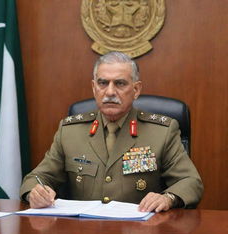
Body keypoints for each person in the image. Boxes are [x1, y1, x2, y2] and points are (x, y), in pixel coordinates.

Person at [20, 51, 203, 212]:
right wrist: (35, 192)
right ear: (94, 87)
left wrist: (167, 198)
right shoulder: (70, 131)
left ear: (136, 89)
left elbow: (190, 181)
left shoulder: (161, 131)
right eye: (102, 83)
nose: (110, 92)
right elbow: (38, 177)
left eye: (120, 83)